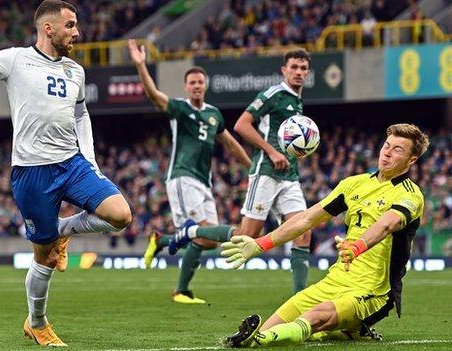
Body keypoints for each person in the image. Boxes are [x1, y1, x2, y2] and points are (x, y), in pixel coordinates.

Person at [0, 0, 132, 347]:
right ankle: (36, 322)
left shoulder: (76, 71)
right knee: (45, 256)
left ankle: (63, 229)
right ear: (48, 28)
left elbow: (81, 116)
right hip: (32, 172)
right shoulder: (15, 59)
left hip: (73, 164)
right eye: (70, 25)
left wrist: (90, 158)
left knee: (121, 214)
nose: (77, 32)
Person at [220, 123, 429, 348]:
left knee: (314, 317)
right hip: (335, 279)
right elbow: (306, 219)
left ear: (411, 160)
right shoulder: (352, 185)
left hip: (373, 290)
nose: (387, 152)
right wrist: (259, 244)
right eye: (387, 145)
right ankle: (350, 331)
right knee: (273, 325)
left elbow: (388, 224)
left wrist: (357, 246)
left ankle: (269, 338)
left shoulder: (410, 194)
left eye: (398, 149)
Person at [170, 49, 313, 294]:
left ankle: (300, 297)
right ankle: (192, 231)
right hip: (266, 171)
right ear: (284, 70)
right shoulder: (273, 94)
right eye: (294, 67)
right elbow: (241, 125)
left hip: (289, 176)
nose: (298, 72)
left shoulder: (297, 101)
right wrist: (272, 152)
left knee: (303, 230)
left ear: (307, 72)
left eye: (303, 68)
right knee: (246, 236)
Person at [128, 39, 251, 304]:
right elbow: (153, 95)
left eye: (200, 82)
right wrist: (141, 66)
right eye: (192, 82)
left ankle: (170, 263)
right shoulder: (180, 109)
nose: (196, 86)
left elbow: (230, 144)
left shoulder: (214, 114)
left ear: (205, 85)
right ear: (186, 86)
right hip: (183, 178)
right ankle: (232, 233)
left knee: (207, 241)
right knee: (205, 229)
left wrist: (252, 170)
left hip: (204, 182)